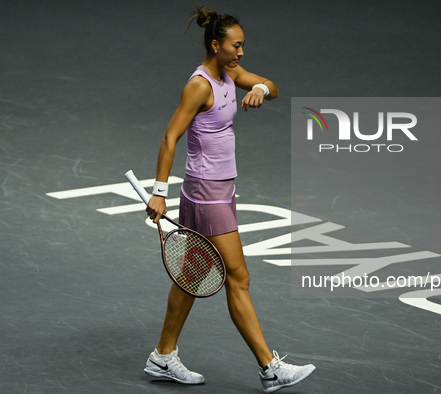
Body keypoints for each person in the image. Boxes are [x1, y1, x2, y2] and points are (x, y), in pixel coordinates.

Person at [142, 5, 315, 393]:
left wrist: (257, 88)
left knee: (191, 277)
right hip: (206, 195)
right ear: (215, 45)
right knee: (238, 278)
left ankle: (162, 355)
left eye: (243, 46)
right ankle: (270, 368)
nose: (241, 53)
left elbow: (272, 86)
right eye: (235, 46)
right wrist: (158, 192)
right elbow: (170, 137)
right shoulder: (200, 85)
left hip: (222, 190)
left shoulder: (229, 73)